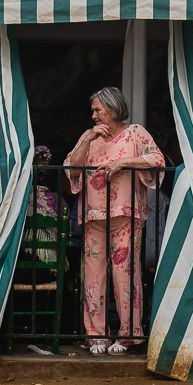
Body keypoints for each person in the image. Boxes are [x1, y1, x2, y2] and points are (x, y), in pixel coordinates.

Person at [64, 87, 165, 355]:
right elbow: (71, 168)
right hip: (93, 215)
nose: (93, 115)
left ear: (113, 108)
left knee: (125, 274)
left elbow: (157, 159)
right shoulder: (90, 136)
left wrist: (123, 163)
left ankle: (129, 335)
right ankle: (95, 335)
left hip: (125, 214)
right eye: (93, 110)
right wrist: (86, 140)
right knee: (93, 276)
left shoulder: (135, 133)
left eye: (98, 109)